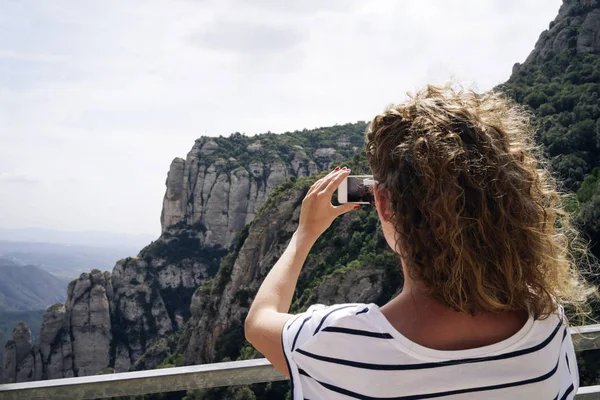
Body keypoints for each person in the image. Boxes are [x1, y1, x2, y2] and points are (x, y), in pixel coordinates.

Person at [244, 85, 594, 399]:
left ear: (383, 204)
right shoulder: (547, 322)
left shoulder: (336, 344)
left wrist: (305, 234)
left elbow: (259, 322)